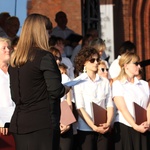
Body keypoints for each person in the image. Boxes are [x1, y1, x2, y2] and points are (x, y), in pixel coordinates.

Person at [8, 13, 70, 150]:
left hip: (20, 122)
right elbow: (55, 90)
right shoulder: (44, 57)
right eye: (48, 31)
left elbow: (15, 96)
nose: (49, 35)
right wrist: (65, 88)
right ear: (41, 32)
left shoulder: (15, 60)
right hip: (42, 123)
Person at [73, 46, 114, 150]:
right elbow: (80, 108)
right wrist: (93, 127)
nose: (96, 62)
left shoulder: (104, 82)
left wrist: (108, 123)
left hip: (103, 127)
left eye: (97, 60)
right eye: (92, 60)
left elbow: (109, 104)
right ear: (84, 62)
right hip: (85, 129)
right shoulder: (78, 81)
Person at [111, 52, 150, 150]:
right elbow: (122, 108)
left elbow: (149, 105)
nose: (139, 66)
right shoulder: (118, 84)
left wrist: (148, 123)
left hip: (143, 126)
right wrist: (135, 126)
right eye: (136, 63)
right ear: (126, 65)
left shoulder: (144, 84)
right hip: (126, 127)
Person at [49, 46, 74, 150]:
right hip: (50, 122)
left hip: (65, 121)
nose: (58, 60)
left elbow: (69, 102)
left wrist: (66, 122)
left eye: (59, 58)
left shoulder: (65, 77)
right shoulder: (43, 77)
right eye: (55, 57)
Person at [0, 37, 15, 136]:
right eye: (4, 48)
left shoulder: (15, 70)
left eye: (8, 47)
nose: (8, 50)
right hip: (2, 126)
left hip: (17, 121)